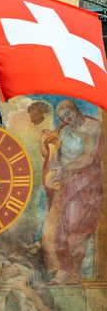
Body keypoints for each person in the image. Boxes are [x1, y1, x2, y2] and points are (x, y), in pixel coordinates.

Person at [41, 100, 105, 284]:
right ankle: (64, 269)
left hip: (86, 181)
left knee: (76, 223)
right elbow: (54, 158)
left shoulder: (91, 125)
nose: (66, 119)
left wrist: (64, 167)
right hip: (66, 181)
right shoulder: (62, 130)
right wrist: (45, 144)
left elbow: (89, 157)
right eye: (62, 117)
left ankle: (74, 270)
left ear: (76, 110)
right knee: (62, 225)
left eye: (68, 114)